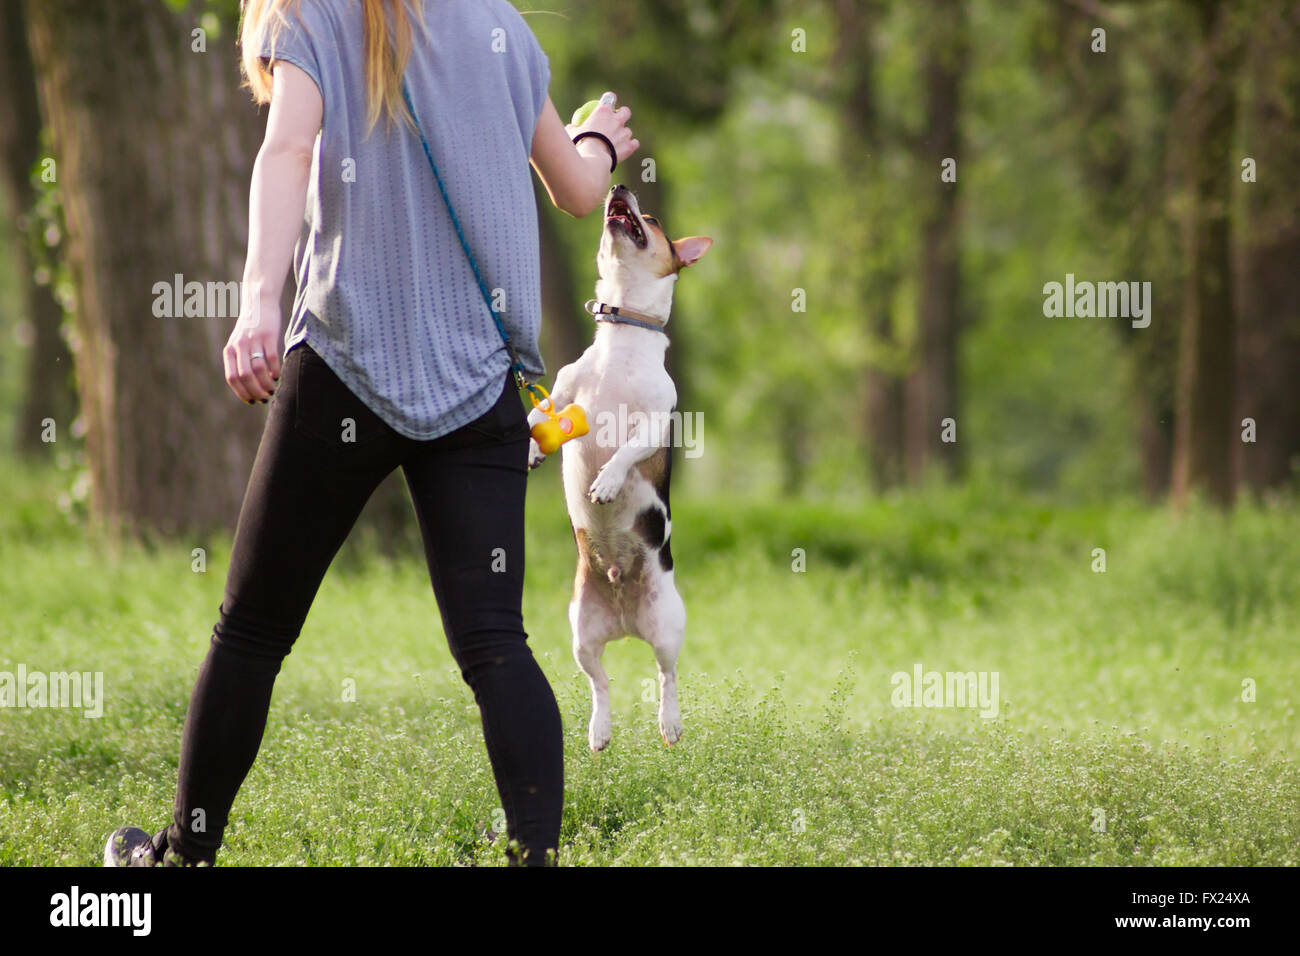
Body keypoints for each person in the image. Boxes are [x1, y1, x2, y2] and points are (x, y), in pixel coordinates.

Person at [104, 0, 638, 868]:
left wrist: (257, 306)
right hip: (478, 385)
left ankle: (181, 861)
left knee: (252, 630)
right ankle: (534, 858)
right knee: (495, 642)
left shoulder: (310, 12)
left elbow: (285, 150)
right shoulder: (496, 22)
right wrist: (600, 141)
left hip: (346, 370)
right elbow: (579, 193)